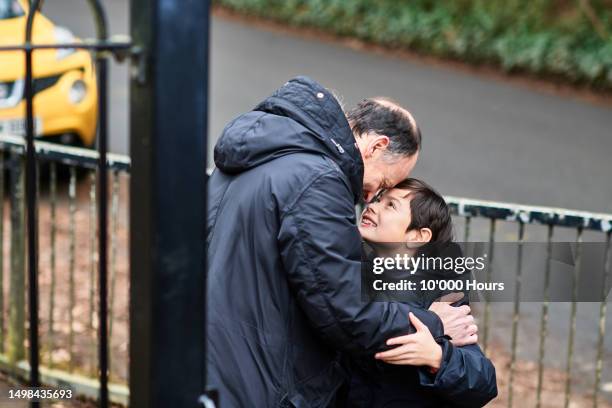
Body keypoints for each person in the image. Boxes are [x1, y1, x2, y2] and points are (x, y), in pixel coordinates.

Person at [207, 76, 478, 407]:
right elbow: (343, 308)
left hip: (209, 364)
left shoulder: (255, 158)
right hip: (256, 379)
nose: (373, 196)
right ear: (376, 146)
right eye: (385, 183)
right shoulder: (318, 178)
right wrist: (434, 324)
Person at [341, 178, 497, 407]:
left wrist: (437, 357)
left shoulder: (441, 293)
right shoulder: (350, 269)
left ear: (418, 236)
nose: (372, 206)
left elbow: (484, 382)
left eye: (390, 205)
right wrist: (433, 323)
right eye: (377, 199)